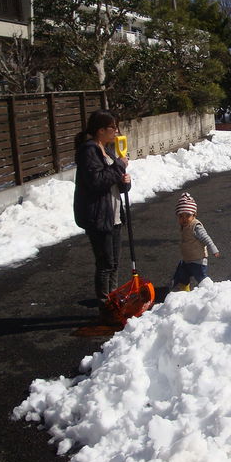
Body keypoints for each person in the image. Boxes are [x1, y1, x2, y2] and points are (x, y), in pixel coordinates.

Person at [73, 109, 131, 322]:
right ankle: (105, 306)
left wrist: (125, 180)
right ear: (100, 131)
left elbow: (115, 180)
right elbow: (96, 182)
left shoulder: (107, 150)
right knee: (105, 264)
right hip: (99, 216)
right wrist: (119, 166)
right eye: (112, 128)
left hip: (113, 214)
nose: (116, 131)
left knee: (114, 262)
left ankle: (113, 302)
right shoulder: (89, 151)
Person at [171, 192, 220, 291]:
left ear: (194, 215)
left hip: (198, 260)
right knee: (183, 277)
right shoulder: (184, 226)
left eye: (187, 215)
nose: (184, 219)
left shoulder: (196, 227)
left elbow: (206, 238)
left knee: (201, 278)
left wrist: (214, 249)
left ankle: (210, 292)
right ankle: (185, 294)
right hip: (187, 260)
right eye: (181, 216)